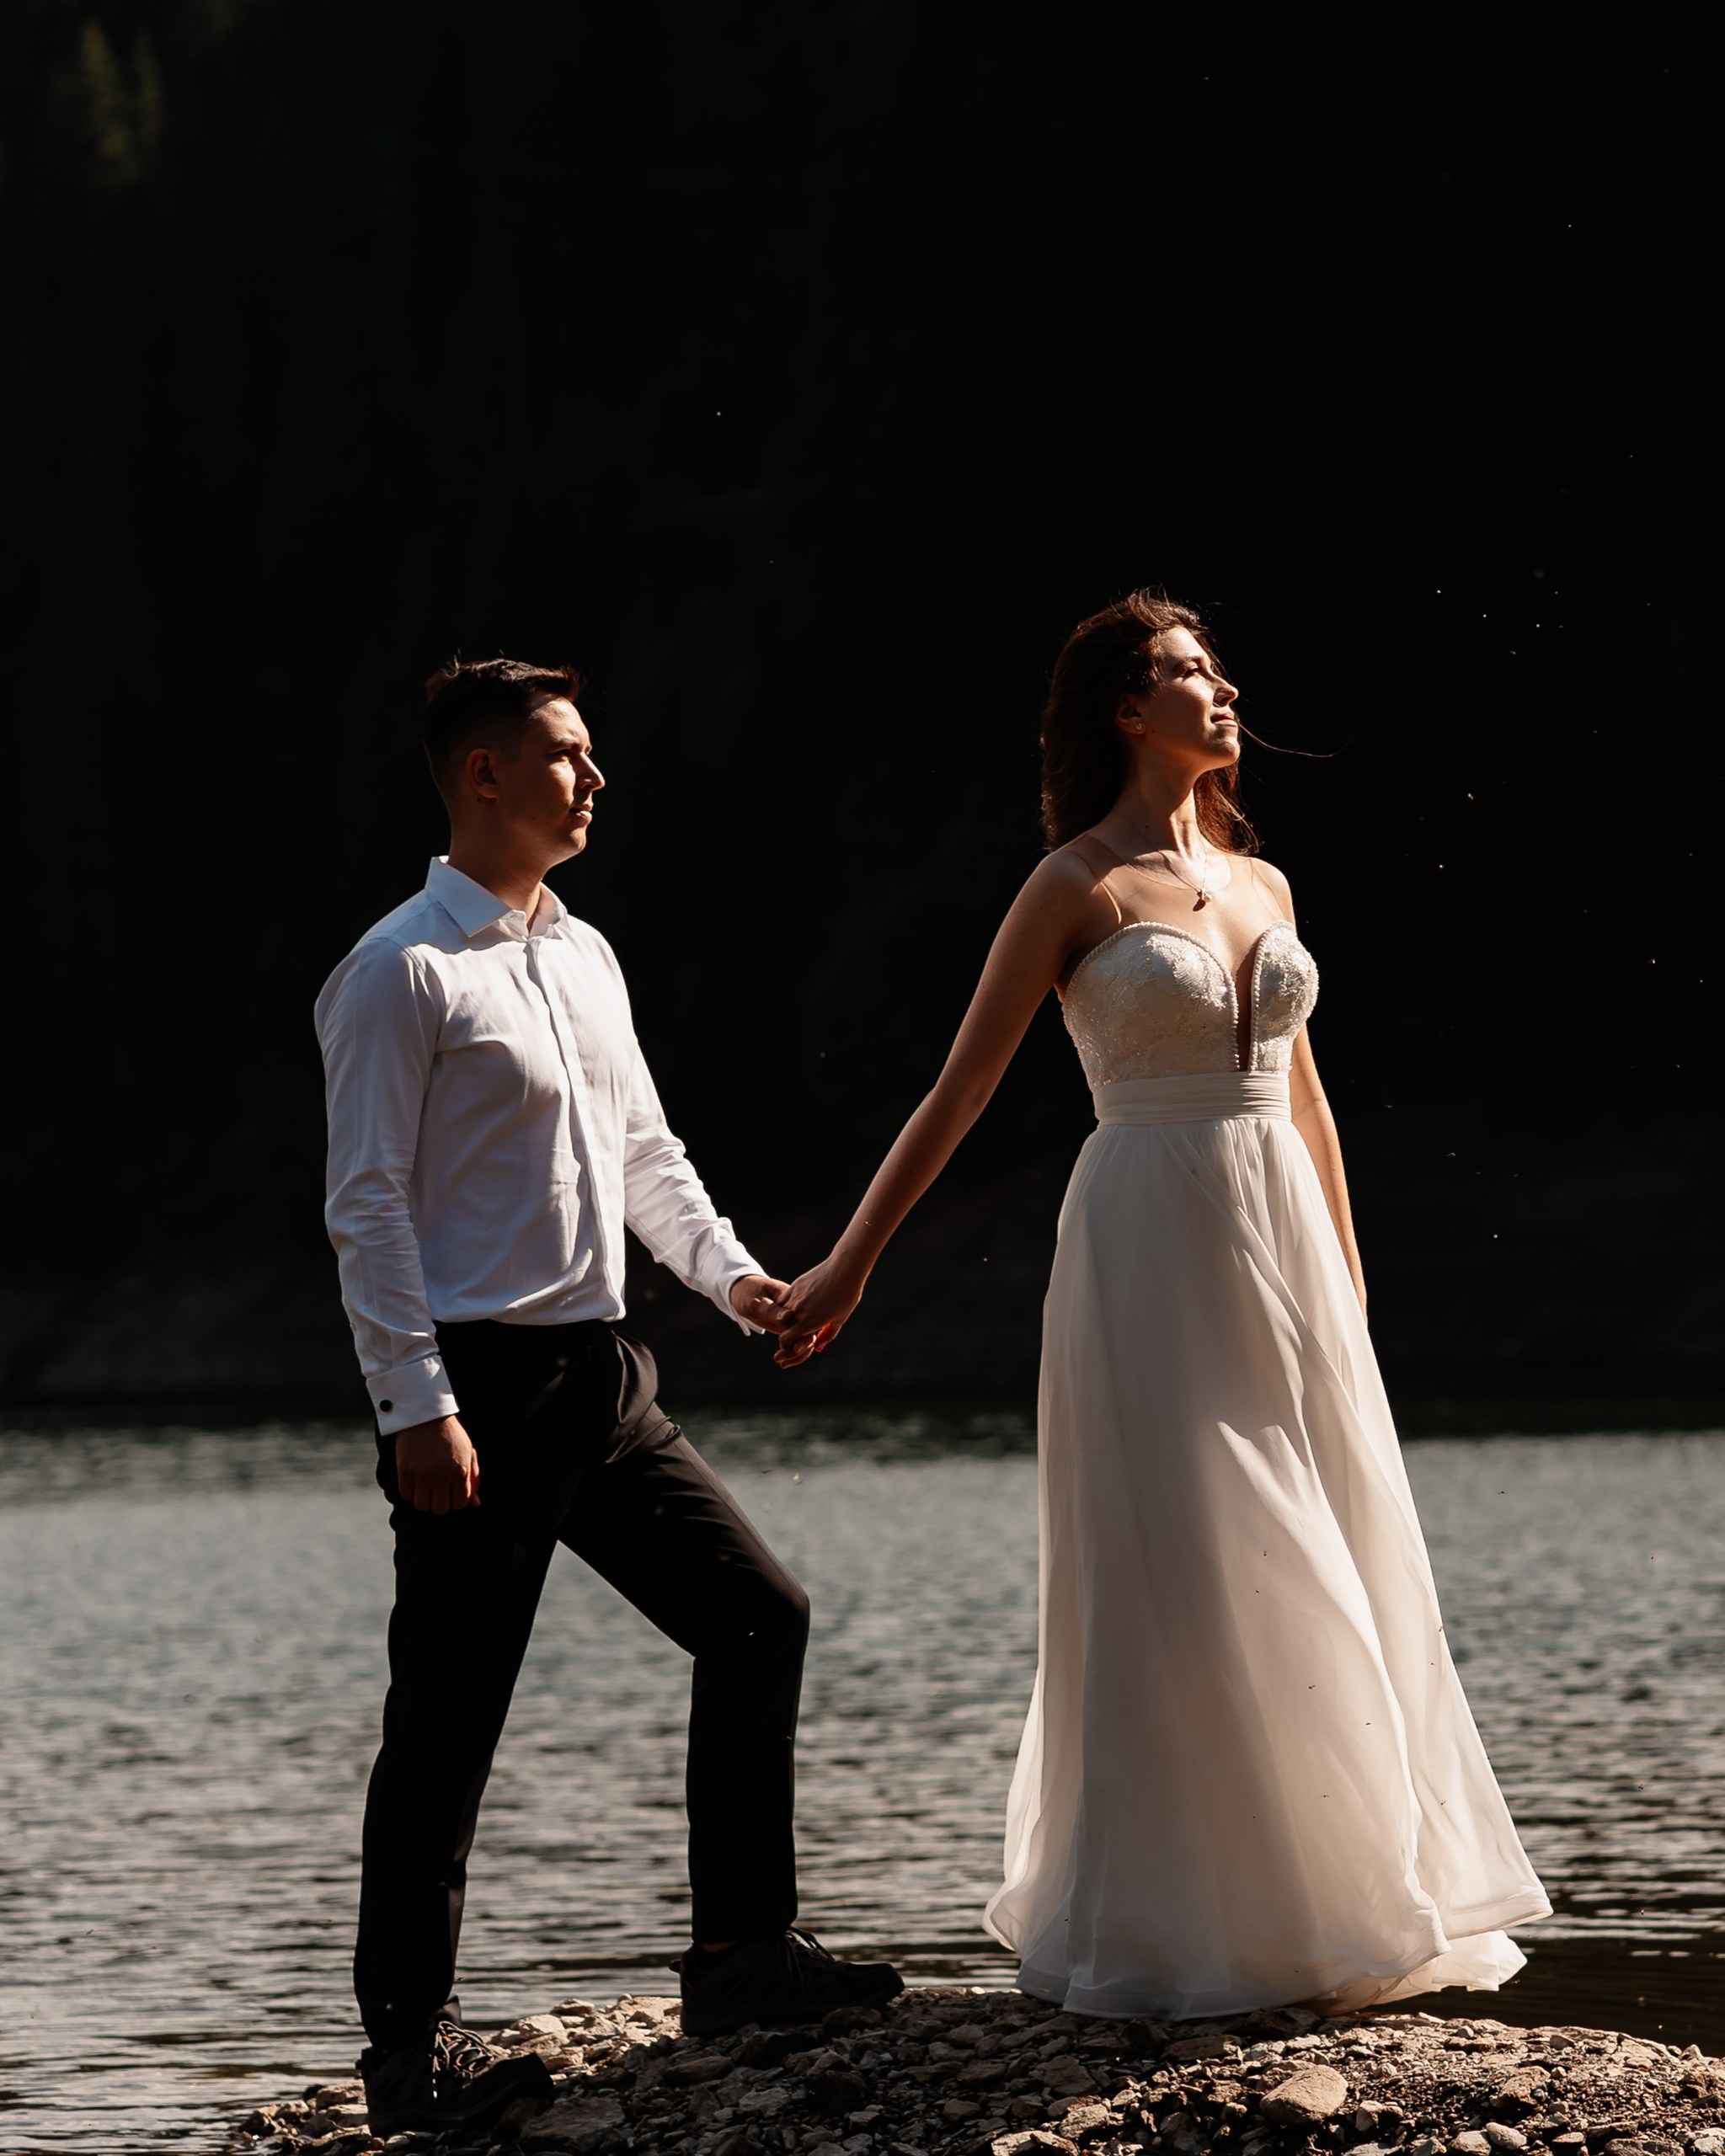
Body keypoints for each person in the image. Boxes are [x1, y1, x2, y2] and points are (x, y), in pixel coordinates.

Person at [772, 590, 1550, 2018]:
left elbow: (1307, 1101)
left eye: (1217, 667)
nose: (1225, 688)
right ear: (1129, 710)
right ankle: (1185, 1926)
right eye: (1193, 672)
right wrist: (849, 1265)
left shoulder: (1265, 882)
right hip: (1146, 1238)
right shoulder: (1071, 886)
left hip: (1285, 1245)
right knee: (1191, 1557)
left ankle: (1343, 1908)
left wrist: (1348, 1287)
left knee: (1328, 1541)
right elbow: (959, 1093)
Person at [314, 657, 900, 2138]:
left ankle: (741, 1958)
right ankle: (408, 2061)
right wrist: (414, 1406)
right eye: (565, 755)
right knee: (448, 1720)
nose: (593, 777)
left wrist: (738, 1281)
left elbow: (646, 1154)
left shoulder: (585, 954)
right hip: (478, 1393)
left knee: (758, 1615)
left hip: (604, 1375)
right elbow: (366, 1204)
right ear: (483, 775)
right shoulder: (398, 971)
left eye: (590, 754)